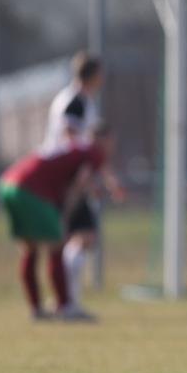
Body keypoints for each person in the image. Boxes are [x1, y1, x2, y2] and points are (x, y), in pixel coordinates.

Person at [0, 125, 115, 320]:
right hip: (30, 189)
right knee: (56, 244)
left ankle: (36, 309)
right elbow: (80, 182)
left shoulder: (72, 145)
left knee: (30, 247)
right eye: (111, 142)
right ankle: (65, 306)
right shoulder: (94, 151)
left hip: (7, 183)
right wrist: (65, 216)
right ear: (103, 140)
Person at [42, 52, 123, 318]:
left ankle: (65, 301)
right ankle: (68, 302)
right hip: (69, 178)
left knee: (71, 238)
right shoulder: (75, 101)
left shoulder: (74, 99)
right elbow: (72, 139)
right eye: (100, 73)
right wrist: (85, 179)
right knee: (83, 235)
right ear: (93, 75)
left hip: (67, 176)